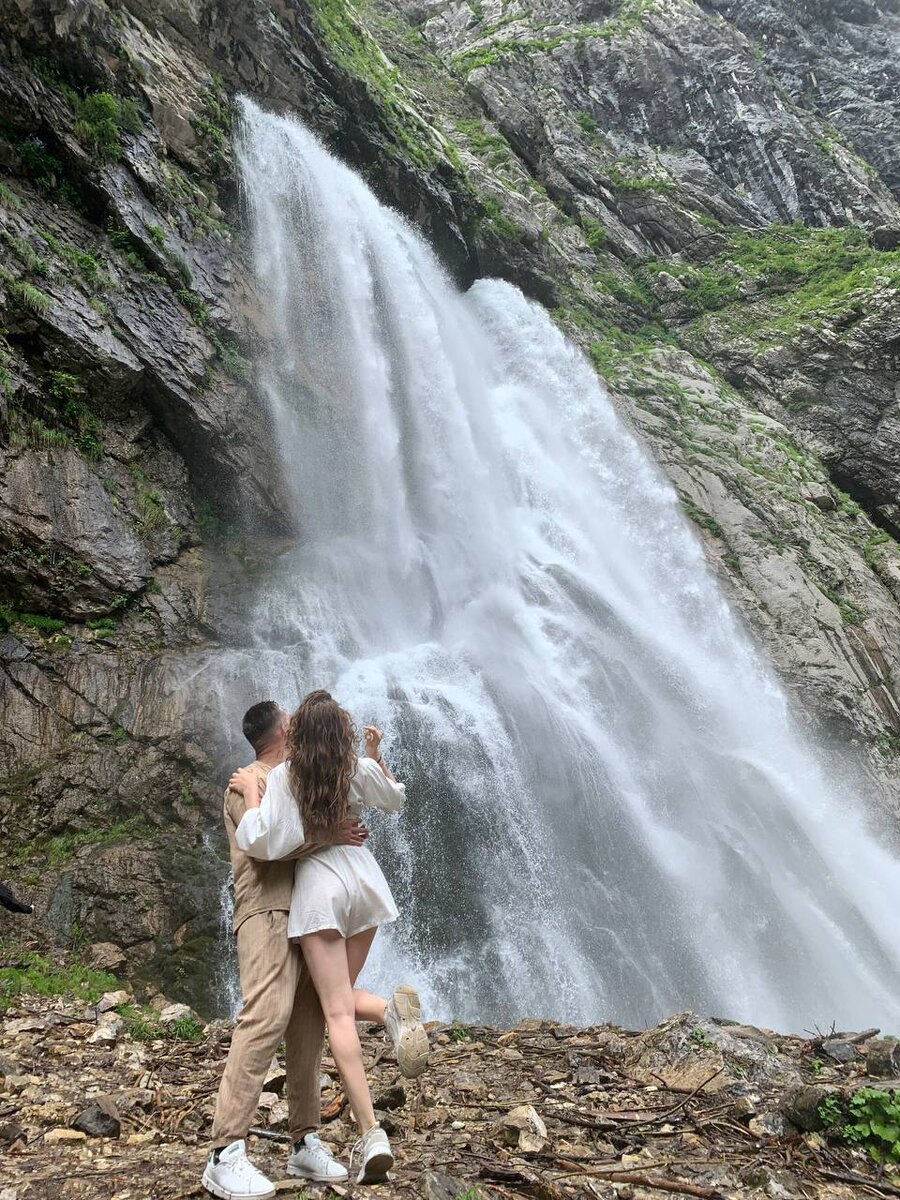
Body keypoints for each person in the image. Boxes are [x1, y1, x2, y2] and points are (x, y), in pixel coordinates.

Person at [228, 689, 428, 1185]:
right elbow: (394, 797)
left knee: (334, 1009)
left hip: (321, 892)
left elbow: (261, 840)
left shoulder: (284, 777)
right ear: (341, 733)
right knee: (328, 997)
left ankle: (372, 1133)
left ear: (297, 733)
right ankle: (388, 1012)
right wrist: (375, 757)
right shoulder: (353, 767)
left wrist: (252, 795)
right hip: (365, 884)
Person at [203, 700, 369, 1200]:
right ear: (279, 731)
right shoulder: (246, 782)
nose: (298, 722)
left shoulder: (297, 780)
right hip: (267, 911)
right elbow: (264, 849)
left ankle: (305, 1140)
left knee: (308, 1024)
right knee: (267, 1014)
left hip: (308, 916)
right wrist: (328, 835)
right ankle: (224, 1151)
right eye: (290, 718)